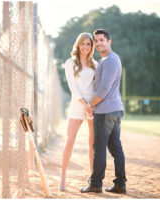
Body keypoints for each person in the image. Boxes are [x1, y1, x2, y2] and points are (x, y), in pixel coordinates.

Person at [80, 29, 127, 194]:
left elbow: (104, 89)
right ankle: (120, 184)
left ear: (109, 42)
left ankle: (95, 184)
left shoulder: (109, 61)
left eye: (102, 40)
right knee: (115, 147)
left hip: (106, 111)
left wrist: (91, 105)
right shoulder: (110, 59)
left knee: (99, 147)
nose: (99, 43)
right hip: (114, 110)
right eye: (96, 40)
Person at [59, 32, 97, 191]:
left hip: (92, 106)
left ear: (91, 46)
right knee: (70, 141)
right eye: (83, 43)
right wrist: (84, 104)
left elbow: (97, 87)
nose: (85, 47)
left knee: (92, 143)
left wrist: (92, 104)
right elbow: (73, 87)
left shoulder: (96, 64)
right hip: (77, 104)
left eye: (88, 44)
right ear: (78, 45)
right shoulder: (70, 63)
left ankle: (93, 177)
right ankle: (63, 177)